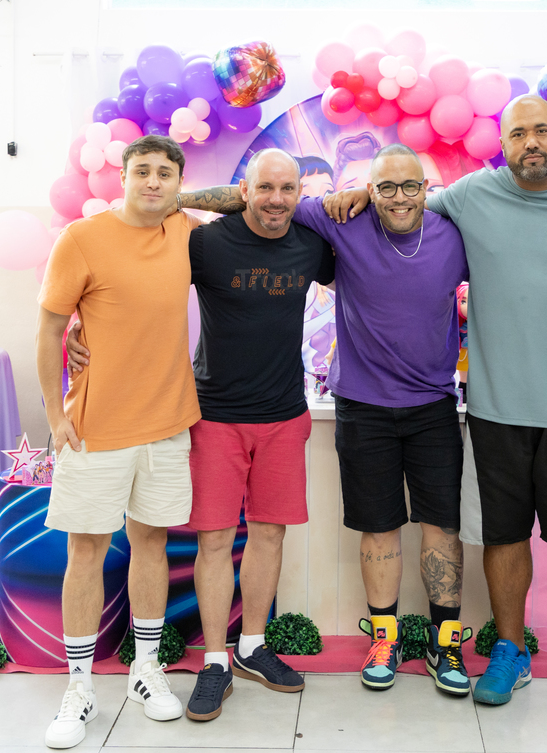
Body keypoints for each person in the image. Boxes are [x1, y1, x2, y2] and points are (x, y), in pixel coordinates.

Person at [324, 95, 547, 721]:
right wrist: (355, 195)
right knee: (503, 536)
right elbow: (402, 202)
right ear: (501, 144)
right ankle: (508, 650)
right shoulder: (470, 195)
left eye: (542, 130)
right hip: (493, 406)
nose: (531, 142)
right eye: (518, 133)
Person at [181, 144, 474, 697]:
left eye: (409, 185)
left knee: (437, 526)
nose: (399, 197)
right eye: (385, 186)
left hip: (412, 405)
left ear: (426, 189)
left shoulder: (440, 235)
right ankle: (230, 660)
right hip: (320, 407)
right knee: (366, 526)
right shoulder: (235, 238)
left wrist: (369, 191)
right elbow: (255, 208)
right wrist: (172, 198)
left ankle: (442, 643)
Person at [66, 149, 336, 722]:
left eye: (287, 189)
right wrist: (77, 323)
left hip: (285, 414)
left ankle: (252, 647)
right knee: (215, 540)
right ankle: (215, 660)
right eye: (264, 187)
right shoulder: (205, 243)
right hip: (213, 416)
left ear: (300, 193)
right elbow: (132, 280)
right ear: (243, 190)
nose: (276, 200)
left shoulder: (312, 246)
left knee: (269, 534)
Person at [37, 135, 200, 748]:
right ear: (123, 177)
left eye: (165, 173)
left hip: (167, 423)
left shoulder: (185, 231)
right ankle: (79, 687)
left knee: (151, 543)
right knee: (86, 551)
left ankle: (145, 670)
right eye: (142, 171)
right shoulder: (81, 239)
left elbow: (236, 200)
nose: (153, 182)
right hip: (95, 428)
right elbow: (49, 328)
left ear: (178, 183)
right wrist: (55, 415)